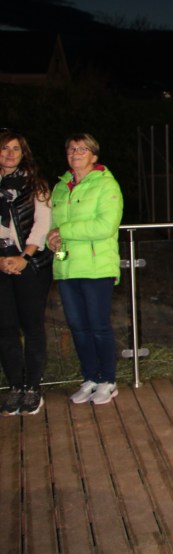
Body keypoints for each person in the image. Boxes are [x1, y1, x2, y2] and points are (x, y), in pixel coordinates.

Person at [47, 133, 124, 406]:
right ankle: (91, 377)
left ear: (94, 155)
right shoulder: (60, 187)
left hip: (96, 268)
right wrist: (50, 239)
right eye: (71, 149)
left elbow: (105, 226)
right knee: (78, 327)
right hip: (67, 267)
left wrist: (64, 231)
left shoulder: (106, 184)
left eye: (82, 149)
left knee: (98, 326)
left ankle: (108, 381)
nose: (75, 153)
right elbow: (51, 226)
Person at [0, 131, 54, 416]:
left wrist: (23, 258)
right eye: (4, 148)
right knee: (5, 327)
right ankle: (15, 386)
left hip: (30, 263)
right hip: (0, 262)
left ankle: (33, 386)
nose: (10, 154)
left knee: (32, 326)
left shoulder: (36, 185)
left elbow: (42, 225)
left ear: (23, 154)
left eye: (15, 149)